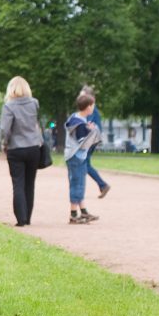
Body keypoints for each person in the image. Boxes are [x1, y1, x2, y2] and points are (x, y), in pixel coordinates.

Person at [0, 76, 43, 227]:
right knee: (30, 184)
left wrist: (4, 143)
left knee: (18, 183)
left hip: (16, 148)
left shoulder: (8, 106)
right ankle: (28, 217)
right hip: (33, 147)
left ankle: (21, 219)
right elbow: (36, 125)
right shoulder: (34, 103)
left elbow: (5, 130)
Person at [64, 92, 102, 224]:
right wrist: (91, 131)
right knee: (77, 184)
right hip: (76, 156)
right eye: (93, 106)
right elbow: (82, 141)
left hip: (75, 156)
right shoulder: (79, 124)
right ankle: (73, 214)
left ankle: (83, 211)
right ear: (88, 107)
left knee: (79, 183)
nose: (93, 108)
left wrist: (88, 128)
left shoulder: (75, 118)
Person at [80, 85, 111, 199]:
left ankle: (102, 185)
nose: (80, 98)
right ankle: (102, 185)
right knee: (84, 164)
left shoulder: (91, 109)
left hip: (90, 140)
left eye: (82, 95)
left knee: (84, 164)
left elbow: (90, 126)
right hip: (91, 140)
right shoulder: (90, 109)